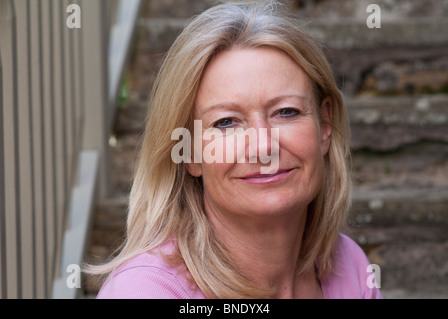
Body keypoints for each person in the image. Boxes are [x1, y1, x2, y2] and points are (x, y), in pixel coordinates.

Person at [89, 0, 383, 299]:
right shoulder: (145, 291)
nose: (263, 147)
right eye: (226, 122)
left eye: (286, 112)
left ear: (325, 125)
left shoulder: (350, 266)